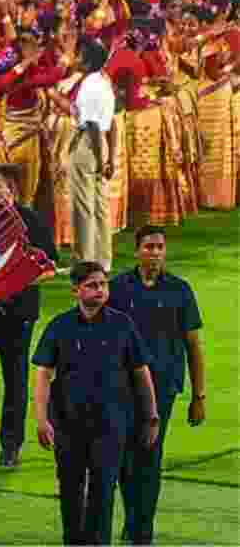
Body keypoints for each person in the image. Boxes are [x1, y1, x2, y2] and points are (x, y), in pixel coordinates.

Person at [32, 261, 160, 545]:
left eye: (103, 284)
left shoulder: (122, 324)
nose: (99, 290)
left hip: (111, 423)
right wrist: (41, 420)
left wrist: (152, 416)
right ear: (75, 290)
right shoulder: (60, 326)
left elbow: (141, 372)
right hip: (68, 424)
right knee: (70, 490)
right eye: (92, 285)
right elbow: (43, 374)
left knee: (104, 490)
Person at [109, 225, 206, 545]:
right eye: (149, 247)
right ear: (137, 251)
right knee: (124, 456)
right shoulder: (118, 288)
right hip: (122, 387)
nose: (155, 253)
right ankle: (135, 518)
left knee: (149, 454)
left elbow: (193, 345)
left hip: (163, 387)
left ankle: (142, 527)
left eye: (160, 247)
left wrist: (198, 395)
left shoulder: (180, 290)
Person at [0, 164, 58, 467]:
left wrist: (17, 281)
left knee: (16, 380)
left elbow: (49, 267)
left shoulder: (32, 222)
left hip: (19, 315)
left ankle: (11, 446)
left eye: (2, 189)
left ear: (12, 192)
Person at [53, 38, 116, 271]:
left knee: (83, 206)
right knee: (100, 206)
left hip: (89, 144)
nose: (75, 58)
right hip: (102, 143)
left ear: (87, 60)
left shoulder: (88, 85)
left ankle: (83, 261)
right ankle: (102, 260)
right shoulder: (104, 82)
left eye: (79, 54)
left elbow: (91, 125)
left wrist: (101, 160)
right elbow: (112, 123)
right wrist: (111, 158)